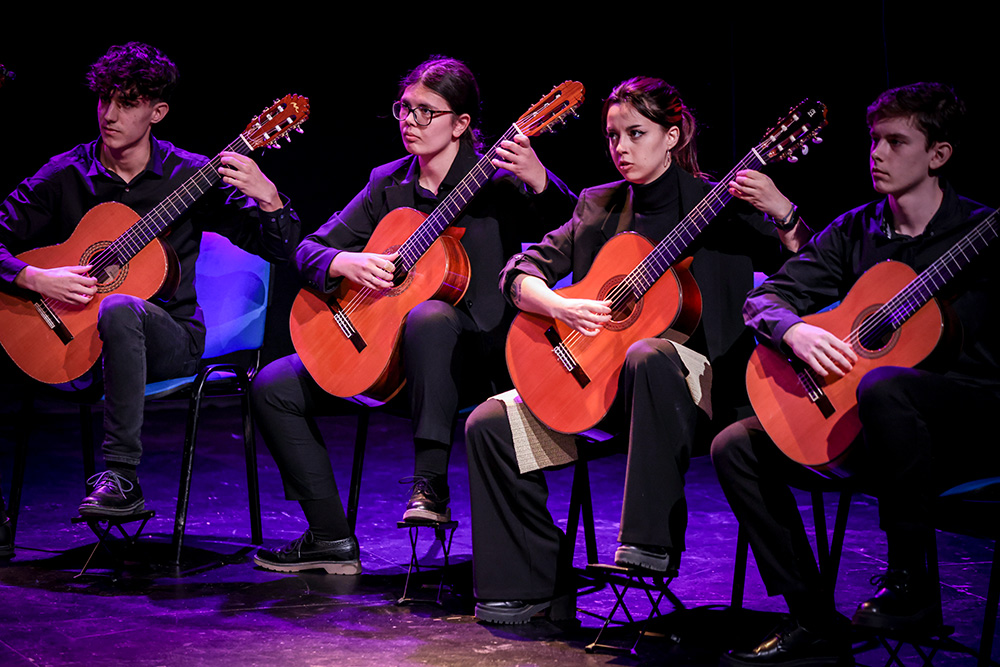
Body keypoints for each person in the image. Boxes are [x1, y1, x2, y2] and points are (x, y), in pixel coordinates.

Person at [466, 76, 811, 624]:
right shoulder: (597, 205)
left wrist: (785, 215)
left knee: (648, 353)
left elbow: (809, 276)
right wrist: (558, 306)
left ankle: (648, 542)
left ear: (673, 135)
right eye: (611, 136)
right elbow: (521, 269)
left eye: (636, 133)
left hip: (695, 398)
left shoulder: (719, 204)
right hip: (603, 393)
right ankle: (537, 585)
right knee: (489, 422)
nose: (621, 148)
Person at [250, 56, 575, 575]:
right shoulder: (388, 184)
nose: (410, 120)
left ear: (461, 124)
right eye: (405, 108)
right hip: (388, 359)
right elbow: (310, 250)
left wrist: (541, 181)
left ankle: (430, 485)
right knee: (272, 386)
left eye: (427, 112)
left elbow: (574, 236)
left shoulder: (497, 180)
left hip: (473, 360)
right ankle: (329, 538)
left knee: (431, 317)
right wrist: (344, 261)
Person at [712, 81, 1000, 665]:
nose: (877, 153)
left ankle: (911, 584)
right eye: (875, 140)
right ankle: (815, 621)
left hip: (967, 421)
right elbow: (767, 299)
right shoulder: (853, 231)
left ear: (938, 155)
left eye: (896, 142)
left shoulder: (985, 235)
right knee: (735, 446)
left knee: (886, 384)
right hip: (879, 430)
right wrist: (794, 330)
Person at [0, 42, 301, 531]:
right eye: (104, 100)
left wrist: (269, 199)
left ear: (158, 111)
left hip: (169, 340)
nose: (110, 115)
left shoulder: (192, 177)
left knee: (120, 306)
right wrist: (33, 276)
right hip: (76, 340)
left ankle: (121, 479)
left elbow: (281, 249)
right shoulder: (67, 173)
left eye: (128, 103)